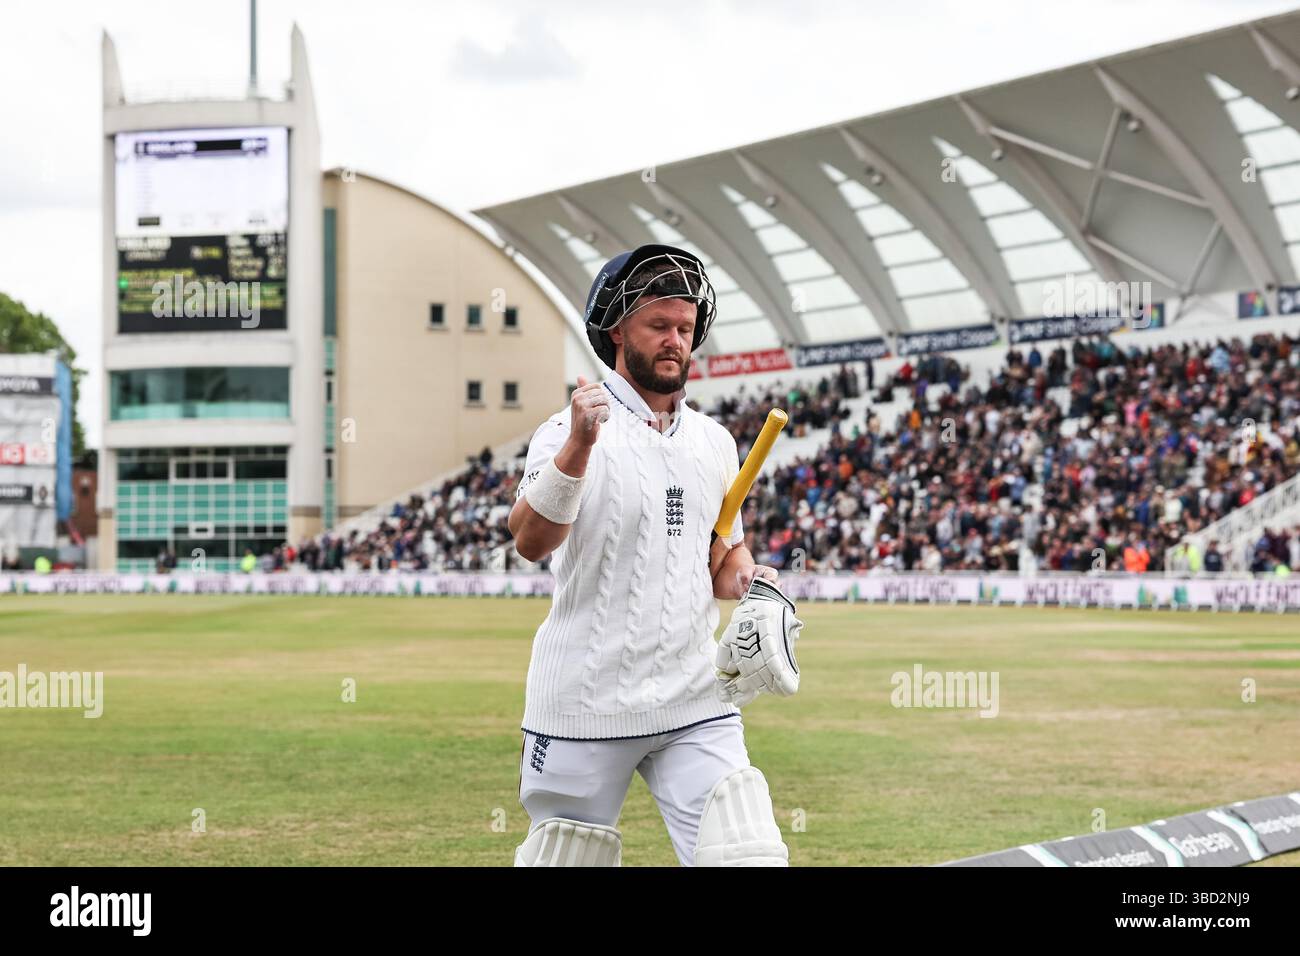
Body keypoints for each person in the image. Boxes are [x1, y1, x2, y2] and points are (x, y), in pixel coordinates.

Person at [507, 244, 794, 867]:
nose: (675, 341)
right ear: (616, 331)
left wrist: (756, 584)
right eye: (658, 326)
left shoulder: (715, 441)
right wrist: (581, 446)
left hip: (695, 700)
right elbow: (530, 541)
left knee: (748, 857)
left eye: (685, 329)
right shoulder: (566, 430)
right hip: (585, 704)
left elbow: (723, 562)